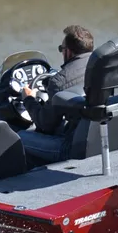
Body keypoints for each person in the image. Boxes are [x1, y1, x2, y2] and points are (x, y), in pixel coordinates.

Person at [18, 25, 94, 163]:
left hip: (71, 149)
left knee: (19, 137)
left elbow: (45, 124)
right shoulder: (100, 68)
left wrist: (28, 98)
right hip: (98, 139)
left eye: (61, 49)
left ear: (68, 52)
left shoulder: (60, 81)